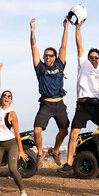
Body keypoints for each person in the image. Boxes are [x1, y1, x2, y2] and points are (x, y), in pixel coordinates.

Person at [58, 20, 99, 175]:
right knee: (73, 134)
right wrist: (77, 28)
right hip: (82, 106)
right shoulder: (83, 63)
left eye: (96, 57)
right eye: (91, 57)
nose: (93, 59)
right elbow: (79, 44)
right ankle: (68, 164)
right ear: (87, 58)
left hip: (95, 105)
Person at [29, 17, 70, 168]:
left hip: (59, 104)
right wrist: (32, 31)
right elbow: (34, 49)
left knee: (64, 131)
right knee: (37, 130)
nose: (47, 57)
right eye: (45, 55)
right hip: (46, 104)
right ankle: (40, 153)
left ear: (55, 57)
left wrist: (66, 28)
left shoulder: (59, 65)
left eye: (50, 55)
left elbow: (63, 46)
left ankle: (55, 150)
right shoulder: (40, 68)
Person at [0, 63, 29, 196]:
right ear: (1, 98)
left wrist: (21, 151)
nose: (6, 97)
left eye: (9, 96)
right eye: (4, 95)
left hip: (11, 144)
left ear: (11, 100)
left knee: (12, 169)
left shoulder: (12, 114)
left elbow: (17, 133)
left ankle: (23, 192)